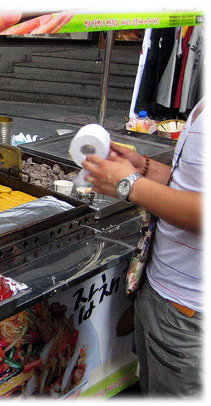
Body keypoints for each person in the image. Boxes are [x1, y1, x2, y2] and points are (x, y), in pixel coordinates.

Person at [81, 98, 204, 396]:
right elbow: (193, 183)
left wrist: (131, 185)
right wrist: (146, 168)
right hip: (164, 294)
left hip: (190, 313)